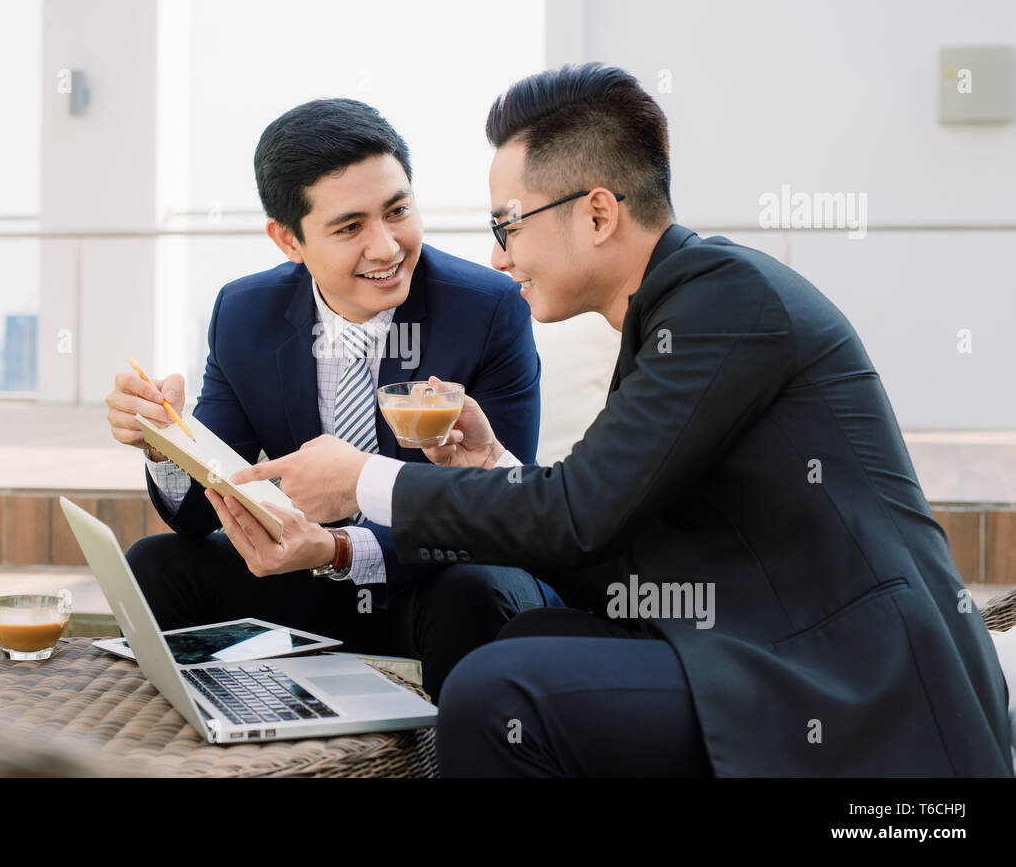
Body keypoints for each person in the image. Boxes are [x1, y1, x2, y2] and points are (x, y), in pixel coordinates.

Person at [226, 64, 1015, 776]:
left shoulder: (724, 301)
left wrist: (361, 480)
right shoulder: (671, 315)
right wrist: (494, 467)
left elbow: (578, 514)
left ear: (597, 213)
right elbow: (607, 530)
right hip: (756, 640)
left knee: (499, 697)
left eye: (508, 224)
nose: (499, 257)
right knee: (527, 645)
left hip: (853, 677)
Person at [105, 97, 551, 701]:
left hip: (432, 580)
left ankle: (453, 756)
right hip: (302, 578)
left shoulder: (488, 308)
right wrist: (165, 441)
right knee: (157, 564)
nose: (388, 247)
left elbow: (495, 515)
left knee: (478, 587)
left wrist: (344, 550)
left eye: (398, 211)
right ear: (288, 240)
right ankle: (209, 752)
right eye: (350, 228)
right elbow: (205, 510)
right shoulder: (244, 312)